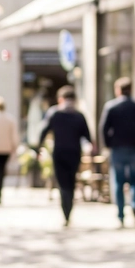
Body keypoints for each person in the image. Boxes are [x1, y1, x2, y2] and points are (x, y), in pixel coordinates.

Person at [99, 77, 135, 227]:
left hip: (117, 149)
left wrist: (108, 145)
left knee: (119, 181)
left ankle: (121, 214)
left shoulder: (111, 106)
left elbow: (104, 128)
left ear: (118, 90)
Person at [37, 86, 91, 226]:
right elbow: (87, 136)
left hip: (59, 152)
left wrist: (38, 147)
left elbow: (43, 131)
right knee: (71, 182)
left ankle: (65, 211)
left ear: (60, 99)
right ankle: (68, 211)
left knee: (62, 183)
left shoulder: (54, 113)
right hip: (74, 152)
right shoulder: (79, 115)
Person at [0, 97, 18, 204]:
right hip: (6, 149)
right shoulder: (10, 119)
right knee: (0, 170)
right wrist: (14, 147)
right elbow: (14, 136)